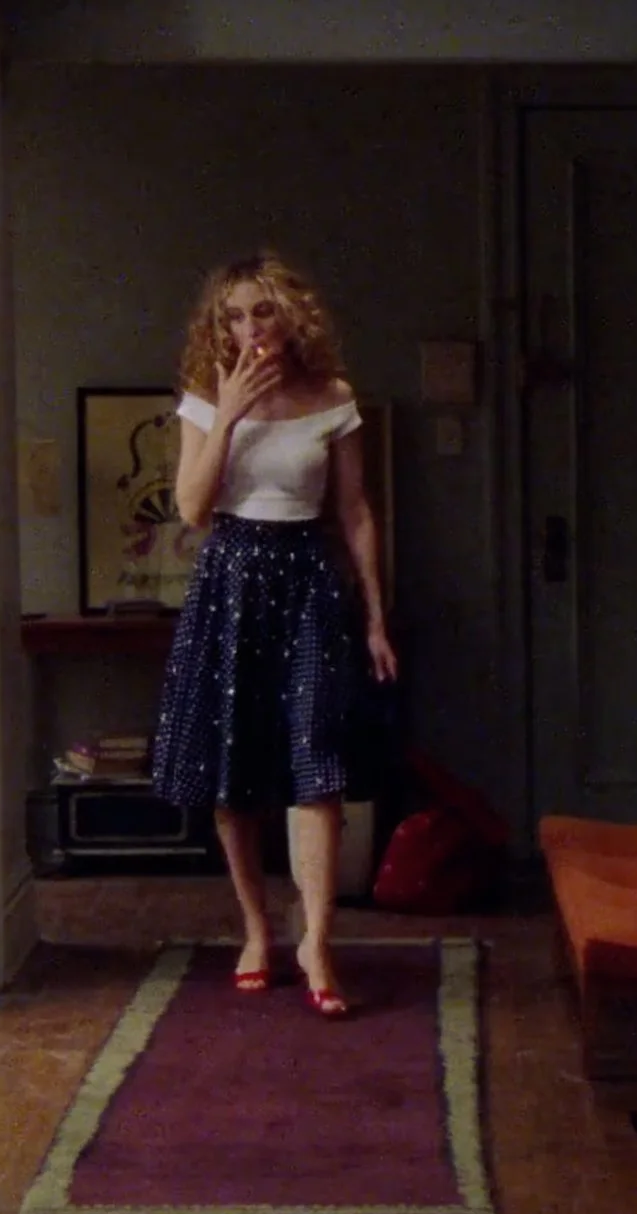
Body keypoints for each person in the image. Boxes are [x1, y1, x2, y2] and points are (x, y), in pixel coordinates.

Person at [148, 250, 398, 1020]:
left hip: (309, 582)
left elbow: (354, 511)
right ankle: (257, 928)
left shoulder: (333, 398)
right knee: (234, 763)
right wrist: (227, 413)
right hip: (230, 579)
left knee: (316, 762)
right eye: (233, 316)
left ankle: (317, 938)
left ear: (290, 317)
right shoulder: (203, 399)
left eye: (262, 311)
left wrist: (375, 615)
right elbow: (192, 509)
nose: (249, 328)